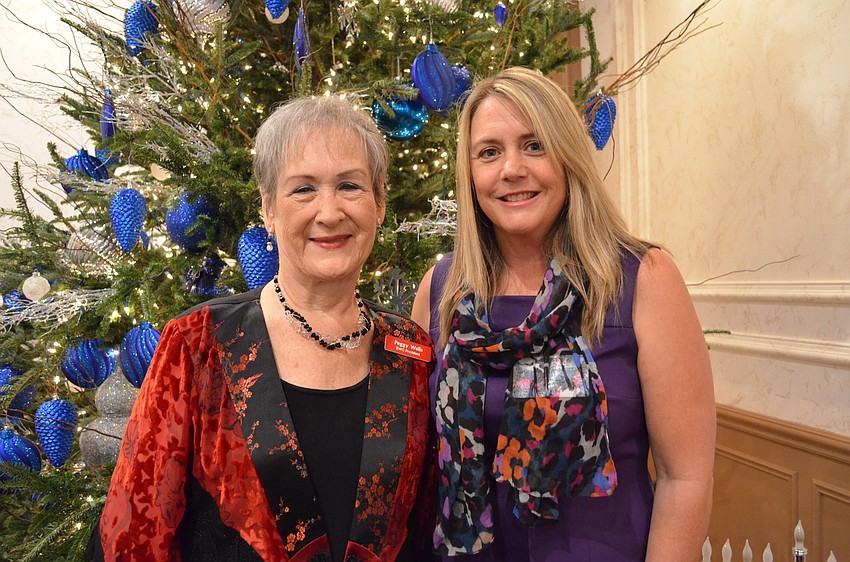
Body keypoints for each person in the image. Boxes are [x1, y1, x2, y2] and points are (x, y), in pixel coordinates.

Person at [98, 96, 435, 561]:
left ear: (378, 204)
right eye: (303, 189)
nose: (330, 212)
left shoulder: (411, 349)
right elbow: (134, 535)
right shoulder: (196, 343)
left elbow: (430, 530)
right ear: (268, 210)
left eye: (350, 186)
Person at [411, 67, 716, 561]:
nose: (511, 169)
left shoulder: (643, 280)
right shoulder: (442, 289)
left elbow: (687, 478)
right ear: (470, 175)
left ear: (569, 157)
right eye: (489, 152)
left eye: (534, 145)